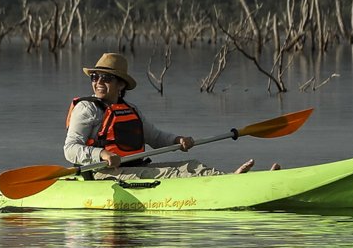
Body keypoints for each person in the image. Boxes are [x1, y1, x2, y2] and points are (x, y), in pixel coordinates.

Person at [63, 52, 254, 176]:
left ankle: (229, 179)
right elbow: (70, 148)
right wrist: (102, 153)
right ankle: (230, 183)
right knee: (172, 174)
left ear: (121, 84)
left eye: (106, 78)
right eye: (95, 77)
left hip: (133, 169)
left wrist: (177, 140)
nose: (98, 82)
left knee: (192, 165)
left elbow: (155, 137)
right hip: (103, 174)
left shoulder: (130, 109)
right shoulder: (87, 108)